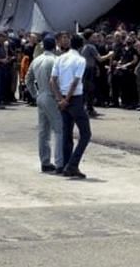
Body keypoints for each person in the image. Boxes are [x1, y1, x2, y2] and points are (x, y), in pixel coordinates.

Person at [50, 33, 91, 179]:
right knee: (85, 134)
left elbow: (53, 80)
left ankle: (67, 165)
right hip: (74, 98)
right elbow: (75, 82)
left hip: (62, 97)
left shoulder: (60, 58)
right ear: (82, 46)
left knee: (67, 134)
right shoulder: (80, 60)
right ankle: (72, 164)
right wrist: (66, 99)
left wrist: (59, 99)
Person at [27, 36, 64, 172]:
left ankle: (45, 161)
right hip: (51, 96)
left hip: (41, 95)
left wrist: (35, 95)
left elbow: (28, 79)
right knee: (59, 129)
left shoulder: (36, 60)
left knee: (43, 132)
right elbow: (57, 81)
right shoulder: (55, 60)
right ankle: (60, 163)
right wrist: (60, 98)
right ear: (54, 46)